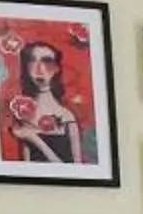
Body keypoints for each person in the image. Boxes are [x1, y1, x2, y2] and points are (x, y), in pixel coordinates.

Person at [8, 37, 87, 165]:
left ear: (57, 68)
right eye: (32, 61)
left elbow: (75, 173)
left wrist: (34, 139)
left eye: (47, 61)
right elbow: (28, 173)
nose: (40, 69)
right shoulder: (23, 115)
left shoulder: (66, 116)